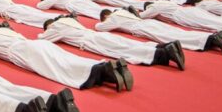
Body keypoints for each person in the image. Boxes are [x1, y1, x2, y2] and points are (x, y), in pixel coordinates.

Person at [0, 26, 134, 92]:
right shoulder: (7, 31)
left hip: (24, 51)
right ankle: (107, 69)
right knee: (67, 58)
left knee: (58, 68)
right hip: (36, 44)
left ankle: (102, 71)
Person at [40, 16, 186, 69]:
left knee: (123, 50)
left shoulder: (55, 27)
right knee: (127, 44)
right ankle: (164, 47)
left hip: (91, 41)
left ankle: (165, 53)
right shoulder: (69, 20)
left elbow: (43, 38)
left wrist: (44, 31)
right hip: (97, 35)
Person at [96, 7, 222, 54]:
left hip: (141, 27)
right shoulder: (122, 12)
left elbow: (99, 27)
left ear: (105, 16)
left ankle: (210, 40)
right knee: (179, 32)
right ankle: (211, 36)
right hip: (148, 22)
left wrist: (105, 21)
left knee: (169, 37)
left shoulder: (113, 18)